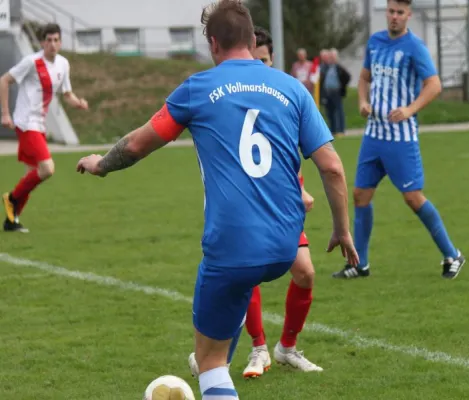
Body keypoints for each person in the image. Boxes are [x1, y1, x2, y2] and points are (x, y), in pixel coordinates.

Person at [76, 1, 358, 399]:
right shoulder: (292, 88)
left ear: (213, 43)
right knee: (243, 292)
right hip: (284, 245)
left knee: (209, 362)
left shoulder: (198, 89)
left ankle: (220, 360)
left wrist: (101, 164)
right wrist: (342, 230)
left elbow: (138, 144)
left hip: (231, 246)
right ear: (250, 39)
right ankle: (253, 338)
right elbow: (331, 167)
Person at [188, 25, 322, 381]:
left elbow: (279, 155)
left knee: (306, 273)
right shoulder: (231, 91)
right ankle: (257, 346)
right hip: (250, 208)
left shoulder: (283, 91)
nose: (258, 66)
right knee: (248, 274)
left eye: (264, 59)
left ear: (271, 58)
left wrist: (299, 190)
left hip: (283, 207)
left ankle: (285, 348)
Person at [332, 0, 465, 280]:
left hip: (400, 139)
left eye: (399, 13)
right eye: (391, 11)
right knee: (360, 196)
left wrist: (409, 109)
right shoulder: (376, 42)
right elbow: (365, 78)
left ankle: (452, 254)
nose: (394, 17)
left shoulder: (414, 47)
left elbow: (434, 84)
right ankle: (360, 264)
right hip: (373, 136)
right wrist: (363, 102)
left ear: (409, 15)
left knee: (413, 198)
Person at [1, 23, 89, 233]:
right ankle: (11, 198)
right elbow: (4, 81)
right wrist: (5, 114)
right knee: (47, 169)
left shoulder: (63, 64)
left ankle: (11, 221)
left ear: (60, 42)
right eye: (48, 40)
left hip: (39, 125)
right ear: (41, 42)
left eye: (56, 40)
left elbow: (66, 93)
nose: (52, 44)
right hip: (26, 123)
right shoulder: (31, 62)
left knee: (31, 175)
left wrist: (78, 103)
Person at [319, 48, 351, 136]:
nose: (331, 59)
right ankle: (332, 130)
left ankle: (340, 130)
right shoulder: (326, 68)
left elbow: (347, 77)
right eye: (330, 57)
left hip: (336, 92)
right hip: (328, 92)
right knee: (330, 112)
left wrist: (342, 86)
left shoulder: (339, 67)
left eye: (332, 57)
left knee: (338, 111)